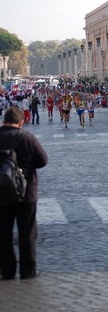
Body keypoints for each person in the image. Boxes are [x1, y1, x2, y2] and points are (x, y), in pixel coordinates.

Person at [0, 107, 48, 280]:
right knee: (27, 232)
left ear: (4, 121)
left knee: (3, 234)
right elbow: (43, 160)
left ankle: (7, 271)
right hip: (26, 192)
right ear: (21, 122)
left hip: (1, 193)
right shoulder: (27, 137)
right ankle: (28, 271)